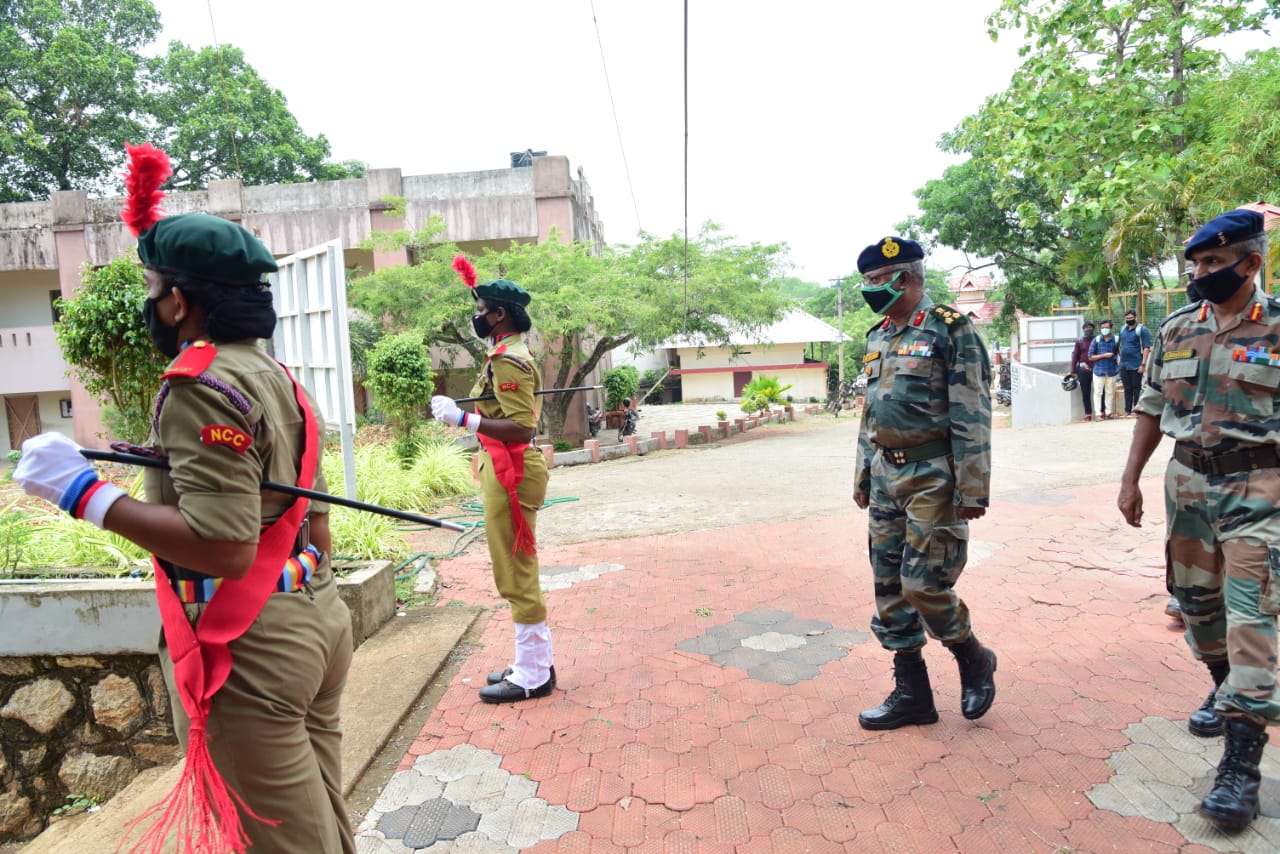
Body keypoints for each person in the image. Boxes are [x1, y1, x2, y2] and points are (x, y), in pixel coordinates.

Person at [13, 143, 354, 852]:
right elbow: (313, 523)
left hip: (252, 645)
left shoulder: (200, 384)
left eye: (151, 286)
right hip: (317, 618)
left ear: (178, 300)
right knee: (320, 821)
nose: (149, 302)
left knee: (288, 844)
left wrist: (82, 494)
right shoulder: (280, 377)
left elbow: (226, 547)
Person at [1117, 208, 1277, 831]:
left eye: (1214, 261)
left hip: (1259, 489)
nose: (1201, 273)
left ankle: (1241, 766)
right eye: (1197, 263)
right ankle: (1221, 680)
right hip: (1185, 485)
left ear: (1251, 262)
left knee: (1251, 619)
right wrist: (1130, 478)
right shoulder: (1178, 328)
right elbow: (1152, 405)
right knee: (1198, 610)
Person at [851, 236, 997, 730]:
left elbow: (972, 412)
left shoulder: (950, 330)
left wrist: (972, 488)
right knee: (889, 588)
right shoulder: (878, 336)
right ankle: (913, 694)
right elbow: (870, 413)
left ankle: (972, 657)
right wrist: (863, 473)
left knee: (923, 584)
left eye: (875, 280)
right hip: (885, 474)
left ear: (905, 277)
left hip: (933, 476)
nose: (869, 289)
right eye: (866, 280)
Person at [431, 260, 556, 704]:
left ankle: (533, 675)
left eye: (482, 309)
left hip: (512, 472)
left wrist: (462, 419)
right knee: (514, 569)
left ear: (499, 314)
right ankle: (535, 661)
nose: (477, 316)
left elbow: (521, 427)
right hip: (504, 469)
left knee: (515, 571)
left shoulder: (508, 359)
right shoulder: (505, 353)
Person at [1117, 308, 1151, 416]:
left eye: (1131, 318)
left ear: (1135, 317)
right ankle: (1127, 410)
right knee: (1127, 388)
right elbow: (1120, 346)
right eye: (1127, 318)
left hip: (1136, 364)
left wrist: (1143, 364)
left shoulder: (1142, 330)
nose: (1129, 320)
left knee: (1136, 388)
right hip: (1124, 364)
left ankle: (1136, 410)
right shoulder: (1122, 329)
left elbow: (1146, 348)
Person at [1088, 320, 1120, 419]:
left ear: (1111, 328)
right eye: (1102, 328)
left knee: (1110, 392)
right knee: (1098, 393)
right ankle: (1098, 414)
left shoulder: (1116, 340)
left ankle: (1108, 413)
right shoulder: (1096, 340)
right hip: (1098, 371)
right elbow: (1090, 356)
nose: (1104, 329)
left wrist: (1119, 368)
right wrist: (1104, 355)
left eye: (1106, 327)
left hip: (1112, 371)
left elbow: (1121, 353)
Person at [1069, 321, 1096, 421]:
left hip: (1097, 370)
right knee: (1085, 393)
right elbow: (1075, 357)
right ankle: (1088, 414)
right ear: (1083, 329)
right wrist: (1073, 370)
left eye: (1090, 327)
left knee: (1099, 392)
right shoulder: (1079, 341)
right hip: (1083, 370)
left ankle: (1101, 413)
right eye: (1086, 328)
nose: (1088, 329)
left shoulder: (1097, 340)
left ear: (1093, 329)